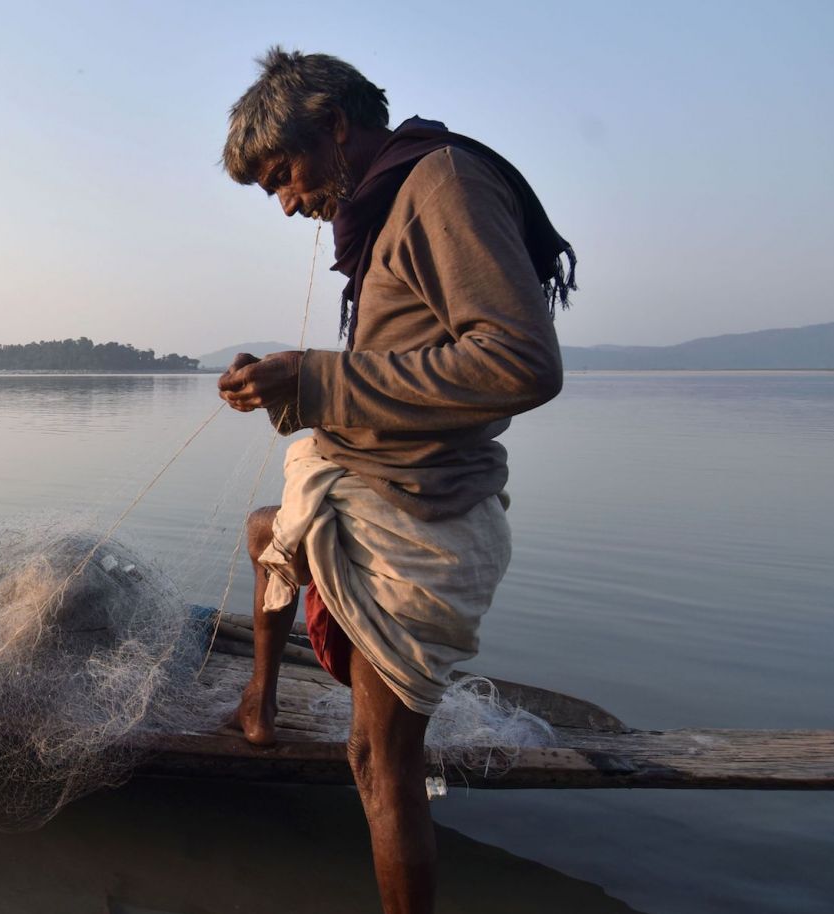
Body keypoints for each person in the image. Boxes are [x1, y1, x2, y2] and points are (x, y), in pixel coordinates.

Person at [216, 49, 574, 914]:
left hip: (417, 521)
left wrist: (319, 381)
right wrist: (286, 379)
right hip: (367, 481)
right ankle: (258, 703)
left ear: (337, 126)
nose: (290, 202)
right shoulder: (388, 210)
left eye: (285, 175)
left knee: (380, 765)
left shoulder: (444, 184)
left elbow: (521, 363)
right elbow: (405, 356)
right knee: (270, 530)